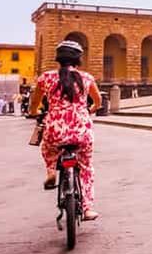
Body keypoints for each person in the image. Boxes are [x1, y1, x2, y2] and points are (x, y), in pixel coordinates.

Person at [29, 40, 101, 221]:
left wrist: (34, 112)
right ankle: (87, 209)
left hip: (55, 128)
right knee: (85, 167)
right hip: (81, 130)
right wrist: (89, 110)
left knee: (48, 148)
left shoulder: (46, 78)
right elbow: (97, 101)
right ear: (78, 59)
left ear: (58, 59)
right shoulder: (86, 78)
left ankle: (51, 171)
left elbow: (34, 103)